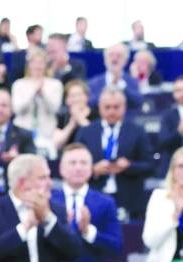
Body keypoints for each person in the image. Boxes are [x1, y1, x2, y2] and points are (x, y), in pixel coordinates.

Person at [51, 143, 122, 262]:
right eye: (73, 162)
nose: (78, 167)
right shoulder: (48, 201)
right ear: (61, 168)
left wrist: (89, 231)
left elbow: (117, 246)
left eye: (83, 163)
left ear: (91, 169)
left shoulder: (105, 202)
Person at [75, 88, 153, 221]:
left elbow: (150, 165)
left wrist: (129, 166)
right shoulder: (86, 132)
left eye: (116, 107)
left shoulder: (137, 131)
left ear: (124, 107)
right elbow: (74, 163)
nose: (112, 111)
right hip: (94, 195)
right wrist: (93, 169)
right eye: (107, 107)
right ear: (99, 107)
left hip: (129, 198)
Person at [11, 47, 63, 157]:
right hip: (23, 131)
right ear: (29, 65)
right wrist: (33, 92)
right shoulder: (19, 84)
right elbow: (17, 109)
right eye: (34, 62)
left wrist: (43, 93)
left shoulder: (55, 84)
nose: (37, 66)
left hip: (47, 132)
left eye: (41, 62)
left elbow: (55, 109)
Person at [87, 43, 143, 110]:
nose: (114, 59)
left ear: (126, 61)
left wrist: (122, 85)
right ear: (105, 59)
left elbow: (138, 103)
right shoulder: (93, 83)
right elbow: (90, 104)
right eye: (111, 55)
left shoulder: (132, 81)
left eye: (119, 56)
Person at [52, 79, 92, 153]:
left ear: (87, 97)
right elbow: (56, 144)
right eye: (72, 96)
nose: (76, 99)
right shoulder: (62, 117)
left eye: (79, 95)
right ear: (66, 100)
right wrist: (72, 124)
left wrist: (80, 118)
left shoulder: (96, 114)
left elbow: (95, 136)